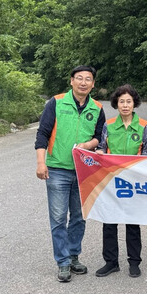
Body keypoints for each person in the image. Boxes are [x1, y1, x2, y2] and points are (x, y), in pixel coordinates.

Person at [34, 65, 106, 282]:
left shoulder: (97, 108)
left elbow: (100, 137)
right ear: (71, 81)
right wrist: (41, 163)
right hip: (57, 169)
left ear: (93, 84)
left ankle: (74, 256)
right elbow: (42, 133)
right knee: (58, 217)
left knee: (79, 217)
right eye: (79, 78)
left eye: (88, 79)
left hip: (84, 171)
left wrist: (88, 145)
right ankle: (63, 262)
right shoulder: (56, 102)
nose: (83, 82)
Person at [94, 84, 147, 278]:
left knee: (132, 223)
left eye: (128, 101)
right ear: (116, 104)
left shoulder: (144, 126)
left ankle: (134, 262)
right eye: (121, 102)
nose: (125, 105)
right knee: (109, 222)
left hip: (134, 182)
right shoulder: (108, 125)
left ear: (134, 104)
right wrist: (98, 153)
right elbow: (102, 148)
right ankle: (111, 262)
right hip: (110, 181)